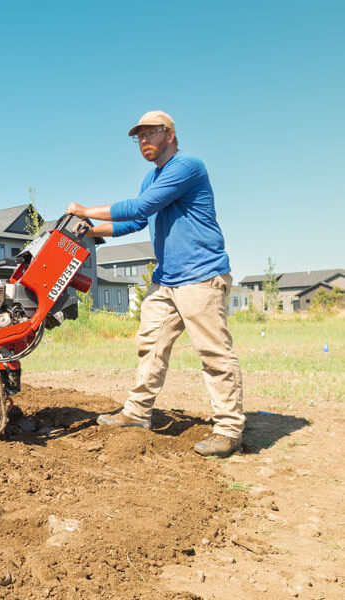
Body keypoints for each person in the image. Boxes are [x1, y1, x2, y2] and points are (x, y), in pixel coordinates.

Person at [65, 110, 244, 458]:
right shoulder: (152, 177)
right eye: (138, 136)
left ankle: (229, 429)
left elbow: (143, 205)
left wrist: (86, 210)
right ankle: (137, 413)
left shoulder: (187, 167)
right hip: (166, 279)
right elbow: (135, 221)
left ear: (170, 134)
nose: (143, 141)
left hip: (201, 275)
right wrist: (89, 229)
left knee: (213, 352)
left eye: (150, 134)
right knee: (150, 344)